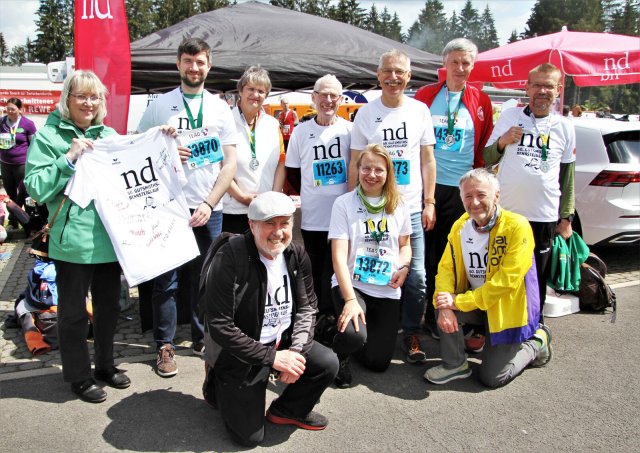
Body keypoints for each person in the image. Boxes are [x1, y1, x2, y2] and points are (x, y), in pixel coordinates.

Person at [24, 70, 131, 403]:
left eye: (94, 96)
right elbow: (35, 187)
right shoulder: (49, 136)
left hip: (109, 241)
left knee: (109, 309)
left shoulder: (109, 134)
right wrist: (67, 158)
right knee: (71, 315)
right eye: (81, 96)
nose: (88, 103)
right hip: (72, 243)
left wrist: (166, 147)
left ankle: (105, 365)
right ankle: (79, 376)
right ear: (67, 99)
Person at [201, 191, 338, 447]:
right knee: (249, 438)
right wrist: (273, 359)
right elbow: (220, 326)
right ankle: (215, 381)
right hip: (240, 351)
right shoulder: (229, 258)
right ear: (252, 225)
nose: (278, 232)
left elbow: (308, 308)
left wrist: (295, 353)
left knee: (327, 363)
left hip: (282, 341)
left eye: (284, 223)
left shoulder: (296, 253)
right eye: (269, 224)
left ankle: (287, 410)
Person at [137, 37, 238, 376]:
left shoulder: (220, 108)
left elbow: (230, 164)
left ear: (209, 65)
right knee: (166, 280)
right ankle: (164, 345)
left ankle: (201, 335)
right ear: (178, 64)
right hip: (168, 208)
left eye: (200, 62)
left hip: (209, 208)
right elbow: (137, 151)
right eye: (188, 61)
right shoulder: (159, 106)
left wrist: (211, 203)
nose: (194, 67)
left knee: (204, 279)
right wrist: (162, 150)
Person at [424, 168, 552, 387]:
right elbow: (445, 269)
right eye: (468, 196)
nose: (474, 202)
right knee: (442, 299)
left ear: (497, 195)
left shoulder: (517, 227)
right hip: (477, 304)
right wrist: (447, 305)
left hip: (506, 310)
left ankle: (536, 342)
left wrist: (460, 301)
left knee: (493, 378)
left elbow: (506, 281)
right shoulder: (460, 226)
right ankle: (455, 364)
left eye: (481, 195)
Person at [349, 49, 436, 364]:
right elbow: (356, 161)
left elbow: (427, 159)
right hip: (372, 207)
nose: (393, 77)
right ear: (378, 75)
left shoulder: (419, 111)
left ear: (408, 76)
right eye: (387, 71)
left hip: (409, 207)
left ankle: (411, 330)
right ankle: (373, 325)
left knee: (416, 276)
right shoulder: (365, 113)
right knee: (370, 266)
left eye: (399, 71)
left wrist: (429, 201)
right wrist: (351, 203)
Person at [415, 38, 494, 349]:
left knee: (459, 257)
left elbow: (483, 144)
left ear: (472, 66)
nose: (461, 68)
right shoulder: (425, 96)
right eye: (456, 62)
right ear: (444, 65)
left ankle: (453, 312)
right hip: (430, 188)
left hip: (464, 191)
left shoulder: (481, 100)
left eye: (467, 63)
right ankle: (428, 314)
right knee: (430, 255)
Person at [484, 63, 575, 322]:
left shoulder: (564, 126)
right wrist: (502, 141)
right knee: (500, 272)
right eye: (537, 85)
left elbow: (567, 175)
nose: (542, 91)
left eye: (549, 86)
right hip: (508, 214)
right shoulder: (510, 117)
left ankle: (534, 326)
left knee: (537, 276)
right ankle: (496, 325)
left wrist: (566, 217)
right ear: (527, 87)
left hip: (543, 214)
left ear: (557, 90)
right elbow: (487, 157)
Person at [329, 144, 412, 387]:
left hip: (386, 288)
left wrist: (404, 267)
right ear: (358, 169)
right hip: (352, 285)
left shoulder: (401, 205)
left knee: (378, 362)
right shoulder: (343, 204)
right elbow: (338, 257)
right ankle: (338, 354)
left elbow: (405, 246)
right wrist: (350, 300)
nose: (371, 175)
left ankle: (349, 334)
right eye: (366, 168)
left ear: (388, 173)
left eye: (379, 169)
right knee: (354, 337)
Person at [285, 74, 352, 319]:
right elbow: (292, 173)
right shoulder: (301, 132)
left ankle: (337, 314)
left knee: (339, 267)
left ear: (341, 99)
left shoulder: (350, 130)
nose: (328, 100)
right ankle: (314, 316)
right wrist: (313, 191)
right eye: (323, 94)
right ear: (313, 98)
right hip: (314, 216)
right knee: (314, 268)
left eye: (333, 95)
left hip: (343, 215)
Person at [222, 65, 285, 233]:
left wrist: (273, 197)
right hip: (233, 209)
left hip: (266, 211)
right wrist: (242, 197)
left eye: (261, 91)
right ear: (240, 91)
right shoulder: (225, 122)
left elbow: (281, 162)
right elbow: (219, 166)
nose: (255, 95)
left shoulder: (272, 124)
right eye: (250, 89)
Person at [0, 98, 37, 229]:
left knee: (23, 195)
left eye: (13, 109)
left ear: (20, 110)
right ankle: (13, 222)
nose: (9, 111)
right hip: (5, 164)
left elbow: (34, 145)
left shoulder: (28, 124)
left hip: (22, 165)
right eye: (7, 108)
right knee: (9, 194)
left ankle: (28, 222)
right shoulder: (2, 122)